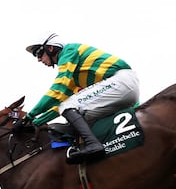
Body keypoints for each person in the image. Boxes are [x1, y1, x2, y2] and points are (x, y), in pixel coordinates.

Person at [20, 33, 140, 164]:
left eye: (38, 54)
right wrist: (35, 123)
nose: (38, 59)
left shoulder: (69, 51)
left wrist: (29, 116)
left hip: (121, 82)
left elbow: (57, 90)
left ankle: (93, 145)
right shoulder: (73, 76)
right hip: (122, 89)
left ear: (50, 48)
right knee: (76, 115)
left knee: (67, 107)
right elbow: (58, 104)